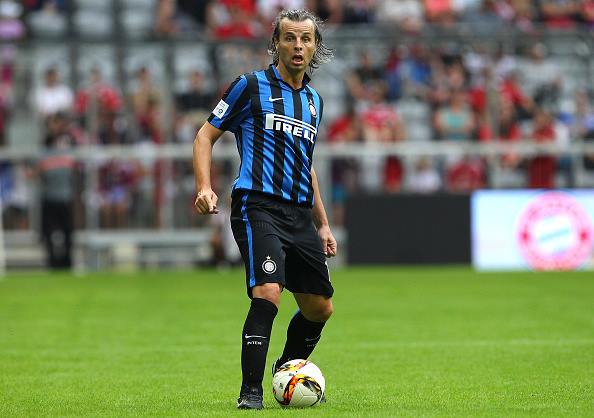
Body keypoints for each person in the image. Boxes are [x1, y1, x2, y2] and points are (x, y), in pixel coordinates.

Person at [192, 9, 336, 410]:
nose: (298, 46)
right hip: (258, 206)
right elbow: (204, 136)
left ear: (315, 47)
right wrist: (204, 186)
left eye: (306, 39)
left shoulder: (313, 102)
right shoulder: (249, 86)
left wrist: (323, 224)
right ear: (276, 43)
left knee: (319, 308)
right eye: (290, 38)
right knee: (268, 292)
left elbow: (306, 166)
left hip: (299, 214)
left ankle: (286, 371)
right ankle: (251, 393)